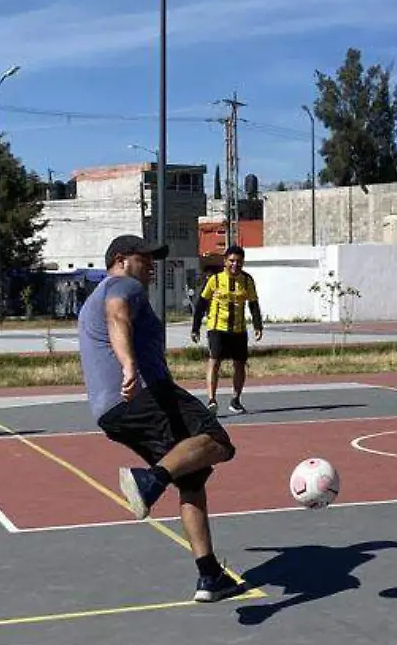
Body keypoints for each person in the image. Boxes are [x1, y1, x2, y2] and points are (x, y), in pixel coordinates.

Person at [82, 234, 239, 602]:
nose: (152, 265)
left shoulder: (94, 295)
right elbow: (117, 316)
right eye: (145, 258)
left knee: (191, 476)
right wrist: (129, 364)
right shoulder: (123, 285)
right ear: (121, 259)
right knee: (218, 441)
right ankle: (150, 482)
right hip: (146, 395)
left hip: (110, 412)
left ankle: (209, 575)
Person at [189, 244, 263, 413]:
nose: (235, 265)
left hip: (239, 330)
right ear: (225, 261)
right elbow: (201, 304)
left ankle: (236, 400)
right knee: (214, 360)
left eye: (239, 262)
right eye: (231, 261)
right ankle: (211, 400)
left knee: (240, 364)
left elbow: (253, 304)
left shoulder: (247, 280)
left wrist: (258, 325)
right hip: (217, 328)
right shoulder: (214, 280)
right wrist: (195, 327)